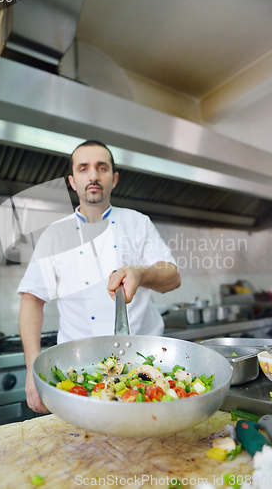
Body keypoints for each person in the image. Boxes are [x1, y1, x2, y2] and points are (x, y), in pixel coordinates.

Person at [18, 140, 181, 413]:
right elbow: (32, 300)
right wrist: (32, 369)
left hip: (146, 369)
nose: (93, 176)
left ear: (114, 179)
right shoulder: (55, 235)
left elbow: (172, 277)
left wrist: (141, 273)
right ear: (72, 181)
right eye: (84, 168)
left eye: (101, 168)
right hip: (80, 371)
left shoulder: (137, 223)